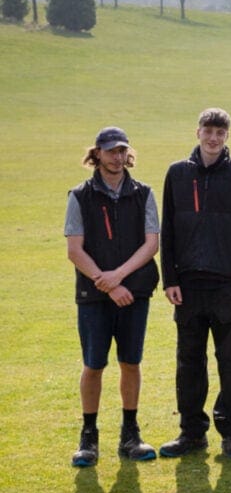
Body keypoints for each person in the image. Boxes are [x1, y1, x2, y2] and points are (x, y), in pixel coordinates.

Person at [159, 107, 231, 458]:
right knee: (189, 361)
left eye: (220, 132)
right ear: (197, 132)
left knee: (227, 361)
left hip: (226, 286)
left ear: (227, 136)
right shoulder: (177, 174)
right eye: (208, 130)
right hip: (187, 285)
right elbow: (168, 229)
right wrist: (169, 278)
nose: (213, 138)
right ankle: (191, 432)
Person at [66, 127, 160, 466]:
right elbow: (75, 250)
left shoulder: (144, 193)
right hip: (94, 295)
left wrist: (119, 278)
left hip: (134, 292)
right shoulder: (79, 196)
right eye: (110, 151)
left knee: (130, 362)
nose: (117, 157)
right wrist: (106, 283)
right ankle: (88, 437)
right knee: (94, 364)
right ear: (97, 154)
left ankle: (130, 433)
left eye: (122, 150)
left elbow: (151, 243)